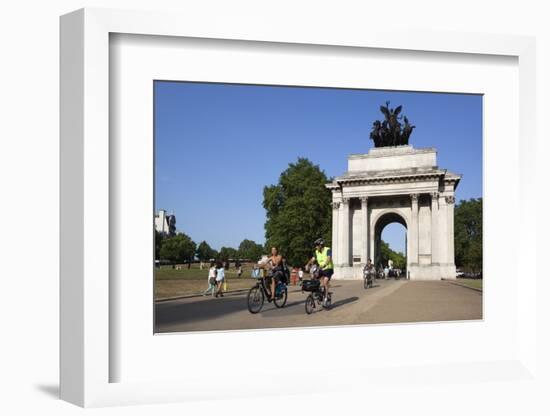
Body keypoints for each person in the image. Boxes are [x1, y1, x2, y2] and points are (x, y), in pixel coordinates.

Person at [306, 238, 334, 306]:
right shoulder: (317, 251)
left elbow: (328, 258)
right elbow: (313, 259)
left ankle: (326, 297)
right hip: (321, 268)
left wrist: (325, 264)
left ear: (321, 245)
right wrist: (308, 264)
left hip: (328, 269)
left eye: (317, 245)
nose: (316, 247)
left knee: (325, 282)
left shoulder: (327, 249)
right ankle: (317, 293)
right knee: (313, 277)